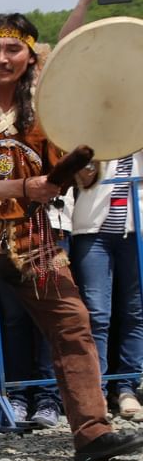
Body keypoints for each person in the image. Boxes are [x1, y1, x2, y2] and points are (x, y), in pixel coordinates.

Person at [0, 13, 143, 461]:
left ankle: (91, 431)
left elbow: (77, 170)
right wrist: (25, 187)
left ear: (30, 56)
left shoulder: (49, 111)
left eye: (13, 50)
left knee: (72, 323)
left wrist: (90, 157)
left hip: (32, 234)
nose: (1, 59)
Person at [71, 151, 143, 420]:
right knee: (97, 313)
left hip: (136, 230)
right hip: (93, 232)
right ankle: (96, 390)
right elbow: (81, 176)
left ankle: (127, 389)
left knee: (134, 311)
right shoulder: (95, 133)